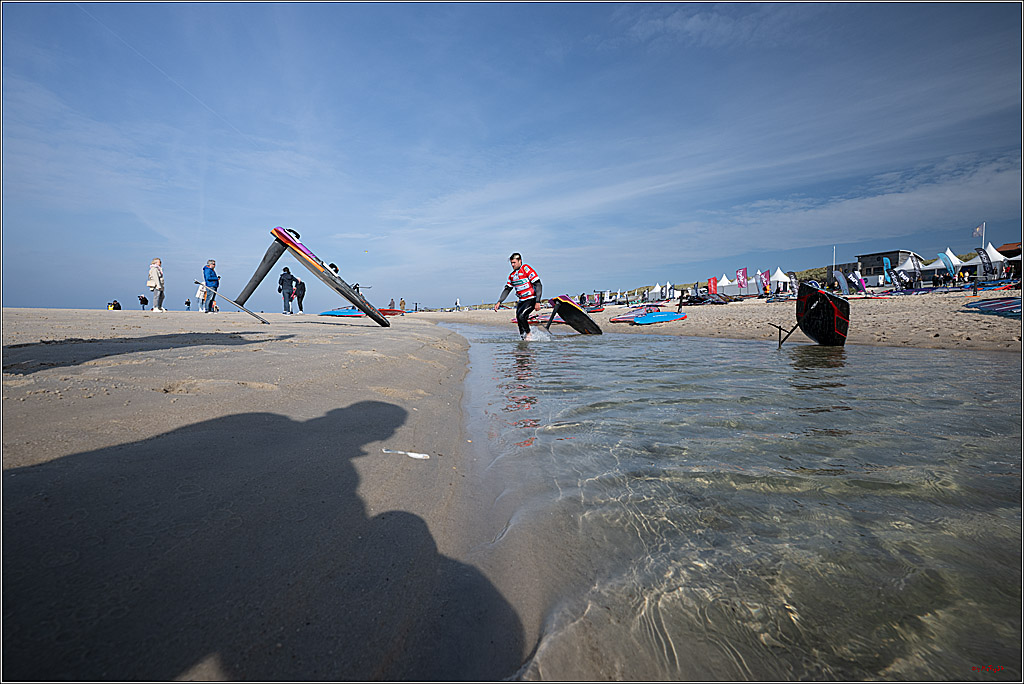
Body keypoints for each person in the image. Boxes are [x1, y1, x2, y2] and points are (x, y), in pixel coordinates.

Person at [493, 252, 542, 339]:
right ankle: (523, 341)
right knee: (519, 320)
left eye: (514, 262)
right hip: (522, 301)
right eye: (511, 263)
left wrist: (538, 301)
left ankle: (529, 334)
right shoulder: (512, 276)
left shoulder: (526, 269)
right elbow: (507, 289)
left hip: (531, 299)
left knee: (521, 316)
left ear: (520, 261)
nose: (512, 265)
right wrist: (499, 301)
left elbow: (538, 284)